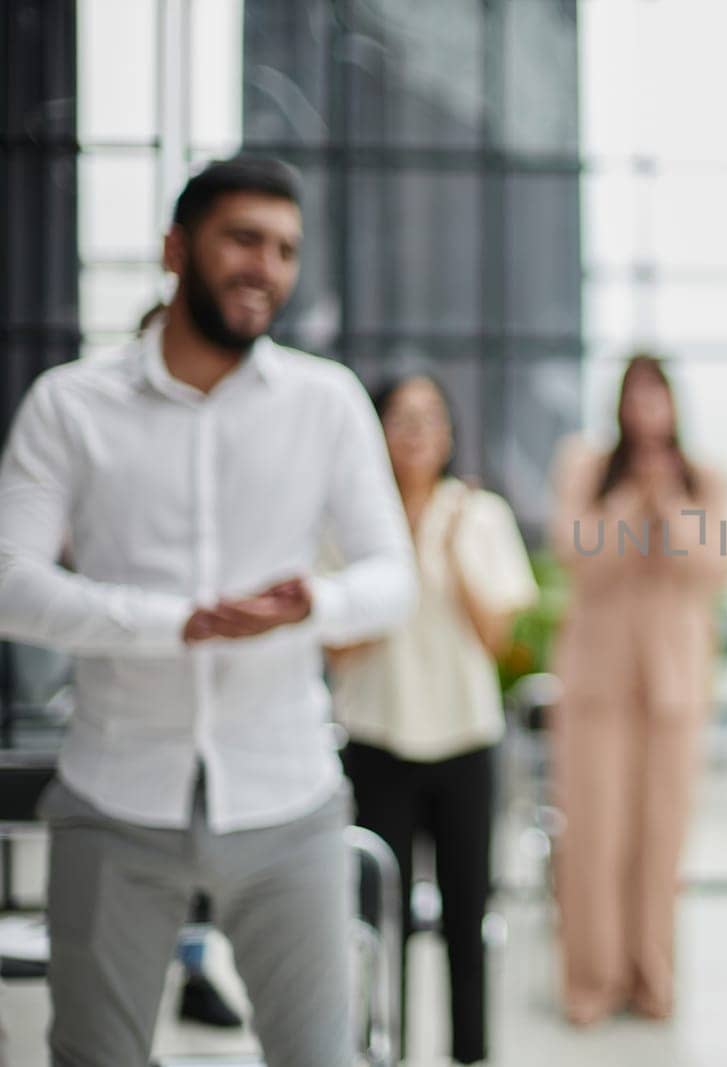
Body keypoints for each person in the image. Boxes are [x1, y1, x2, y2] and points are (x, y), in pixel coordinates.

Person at [0, 157, 417, 1064]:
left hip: (288, 798)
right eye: (243, 239)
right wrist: (174, 622)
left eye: (284, 249)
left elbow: (395, 577)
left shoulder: (327, 402)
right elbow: (9, 582)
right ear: (175, 249)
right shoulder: (70, 405)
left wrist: (315, 603)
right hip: (115, 796)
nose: (264, 266)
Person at [329, 374, 538, 1065]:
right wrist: (397, 566)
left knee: (465, 916)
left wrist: (443, 549)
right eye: (400, 417)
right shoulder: (354, 520)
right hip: (378, 738)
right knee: (377, 919)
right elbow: (337, 641)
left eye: (430, 418)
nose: (416, 431)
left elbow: (497, 638)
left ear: (448, 433)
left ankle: (469, 1052)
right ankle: (383, 1048)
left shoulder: (480, 515)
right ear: (377, 430)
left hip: (464, 741)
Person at [548, 353, 727, 1026]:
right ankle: (591, 982)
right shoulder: (586, 466)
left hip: (675, 686)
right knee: (594, 835)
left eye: (660, 396)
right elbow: (578, 555)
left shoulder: (705, 476)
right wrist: (632, 499)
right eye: (638, 395)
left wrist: (672, 506)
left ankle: (653, 977)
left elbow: (714, 565)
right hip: (597, 682)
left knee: (663, 838)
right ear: (621, 403)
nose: (649, 410)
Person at [134, 301, 247, 1032]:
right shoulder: (113, 438)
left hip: (234, 699)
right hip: (142, 704)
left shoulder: (240, 447)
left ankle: (198, 967)